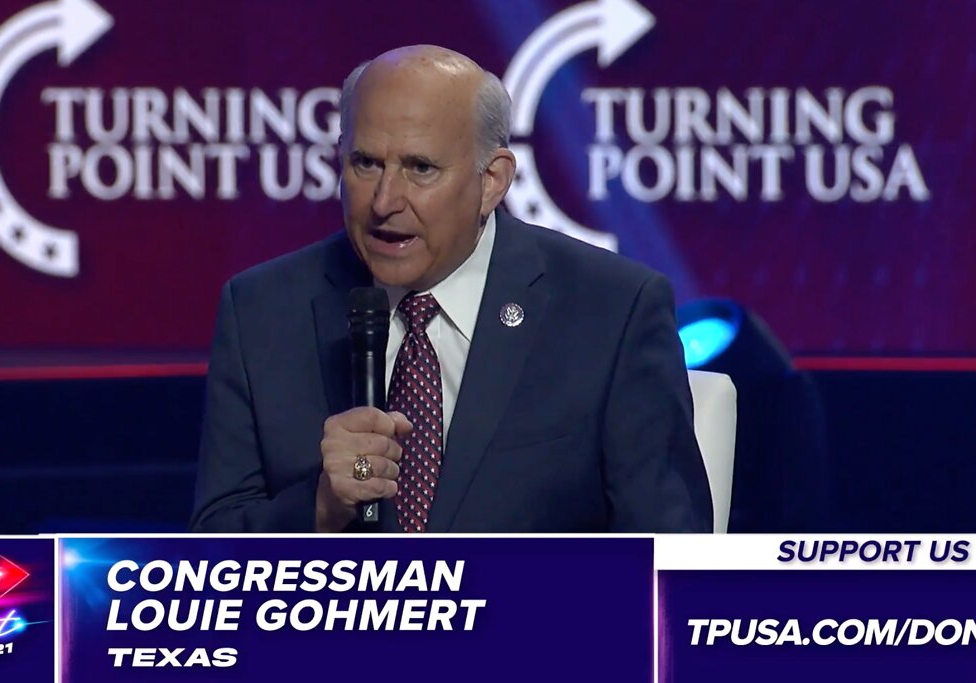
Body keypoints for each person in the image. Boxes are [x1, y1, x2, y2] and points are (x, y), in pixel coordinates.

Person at [190, 45, 712, 533]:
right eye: (366, 163)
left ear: (493, 181)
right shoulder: (261, 311)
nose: (384, 201)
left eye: (420, 168)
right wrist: (322, 506)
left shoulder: (611, 311)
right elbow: (210, 551)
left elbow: (670, 555)